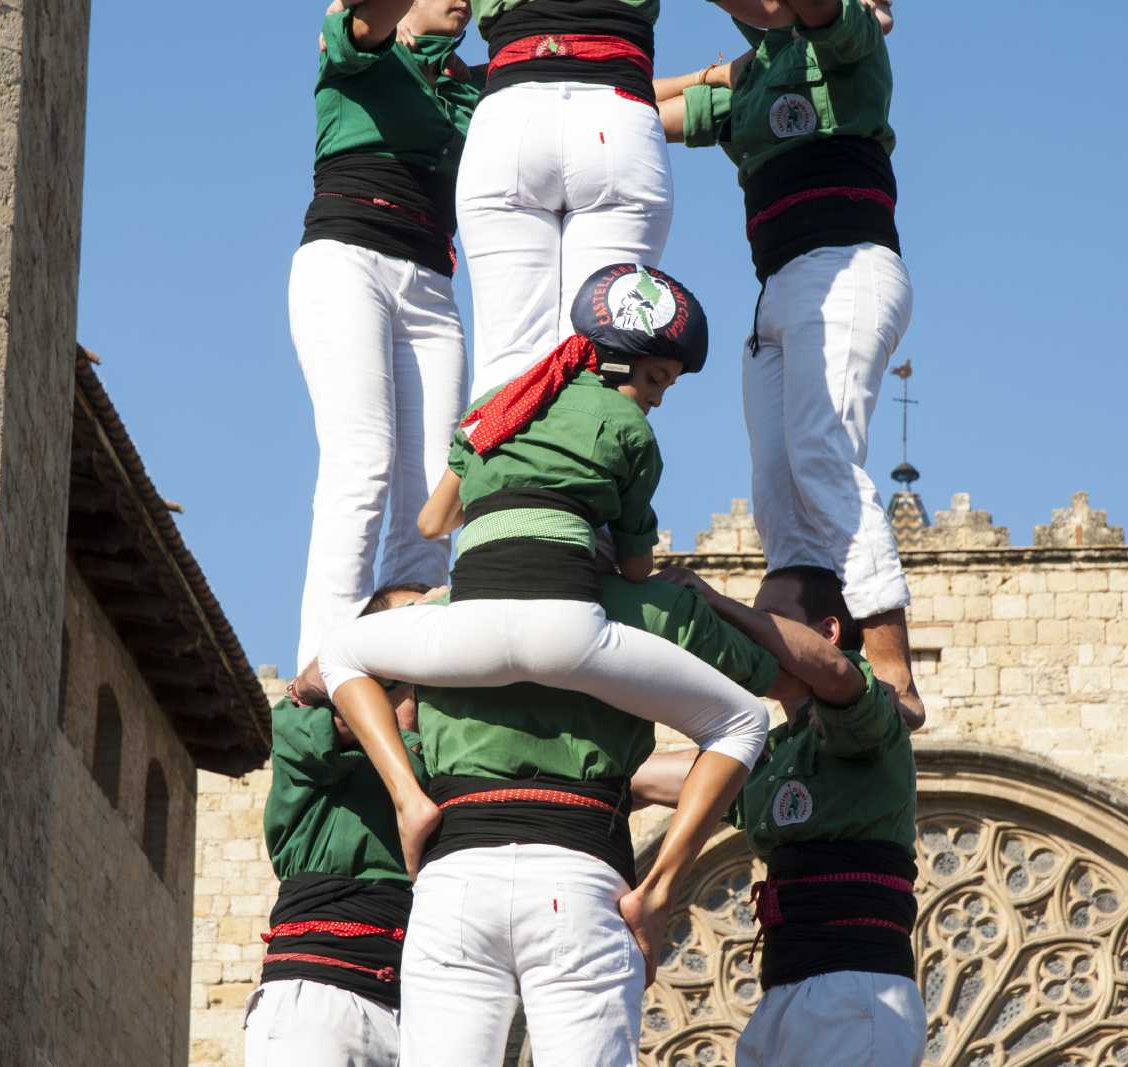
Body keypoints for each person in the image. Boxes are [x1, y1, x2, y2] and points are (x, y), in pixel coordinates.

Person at [313, 264, 770, 890]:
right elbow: (636, 567)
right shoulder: (630, 428)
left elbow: (430, 522)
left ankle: (407, 798)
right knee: (744, 721)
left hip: (468, 633)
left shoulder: (492, 412)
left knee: (339, 652)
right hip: (568, 634)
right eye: (658, 377)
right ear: (616, 363)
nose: (659, 395)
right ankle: (659, 890)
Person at [655, 0, 925, 728]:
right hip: (776, 294)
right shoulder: (756, 77)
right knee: (780, 497)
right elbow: (635, 108)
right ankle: (813, 661)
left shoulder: (850, 43)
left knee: (819, 454)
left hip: (844, 266)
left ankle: (894, 661)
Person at [399, 577, 795, 1067]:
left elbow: (327, 671)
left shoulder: (446, 611)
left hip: (457, 877)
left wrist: (405, 795)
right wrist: (661, 890)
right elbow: (786, 682)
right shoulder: (649, 607)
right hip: (576, 876)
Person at [633, 563, 924, 1067]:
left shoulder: (874, 720)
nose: (755, 639)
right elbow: (676, 778)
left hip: (856, 992)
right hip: (784, 993)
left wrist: (722, 604)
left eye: (768, 622)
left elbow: (835, 674)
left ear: (828, 632)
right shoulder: (774, 751)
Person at [290, 0, 484, 678]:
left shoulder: (470, 85)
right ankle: (325, 665)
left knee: (437, 490)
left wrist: (717, 80)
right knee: (362, 460)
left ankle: (412, 670)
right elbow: (366, 22)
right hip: (348, 260)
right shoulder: (360, 39)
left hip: (431, 287)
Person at [246, 584, 439, 1067]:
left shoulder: (456, 756)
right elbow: (318, 681)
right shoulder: (310, 724)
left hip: (425, 1012)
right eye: (406, 623)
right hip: (322, 1003)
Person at [456, 0, 678, 397]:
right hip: (617, 114)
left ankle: (501, 454)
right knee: (597, 358)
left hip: (513, 111)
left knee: (507, 360)